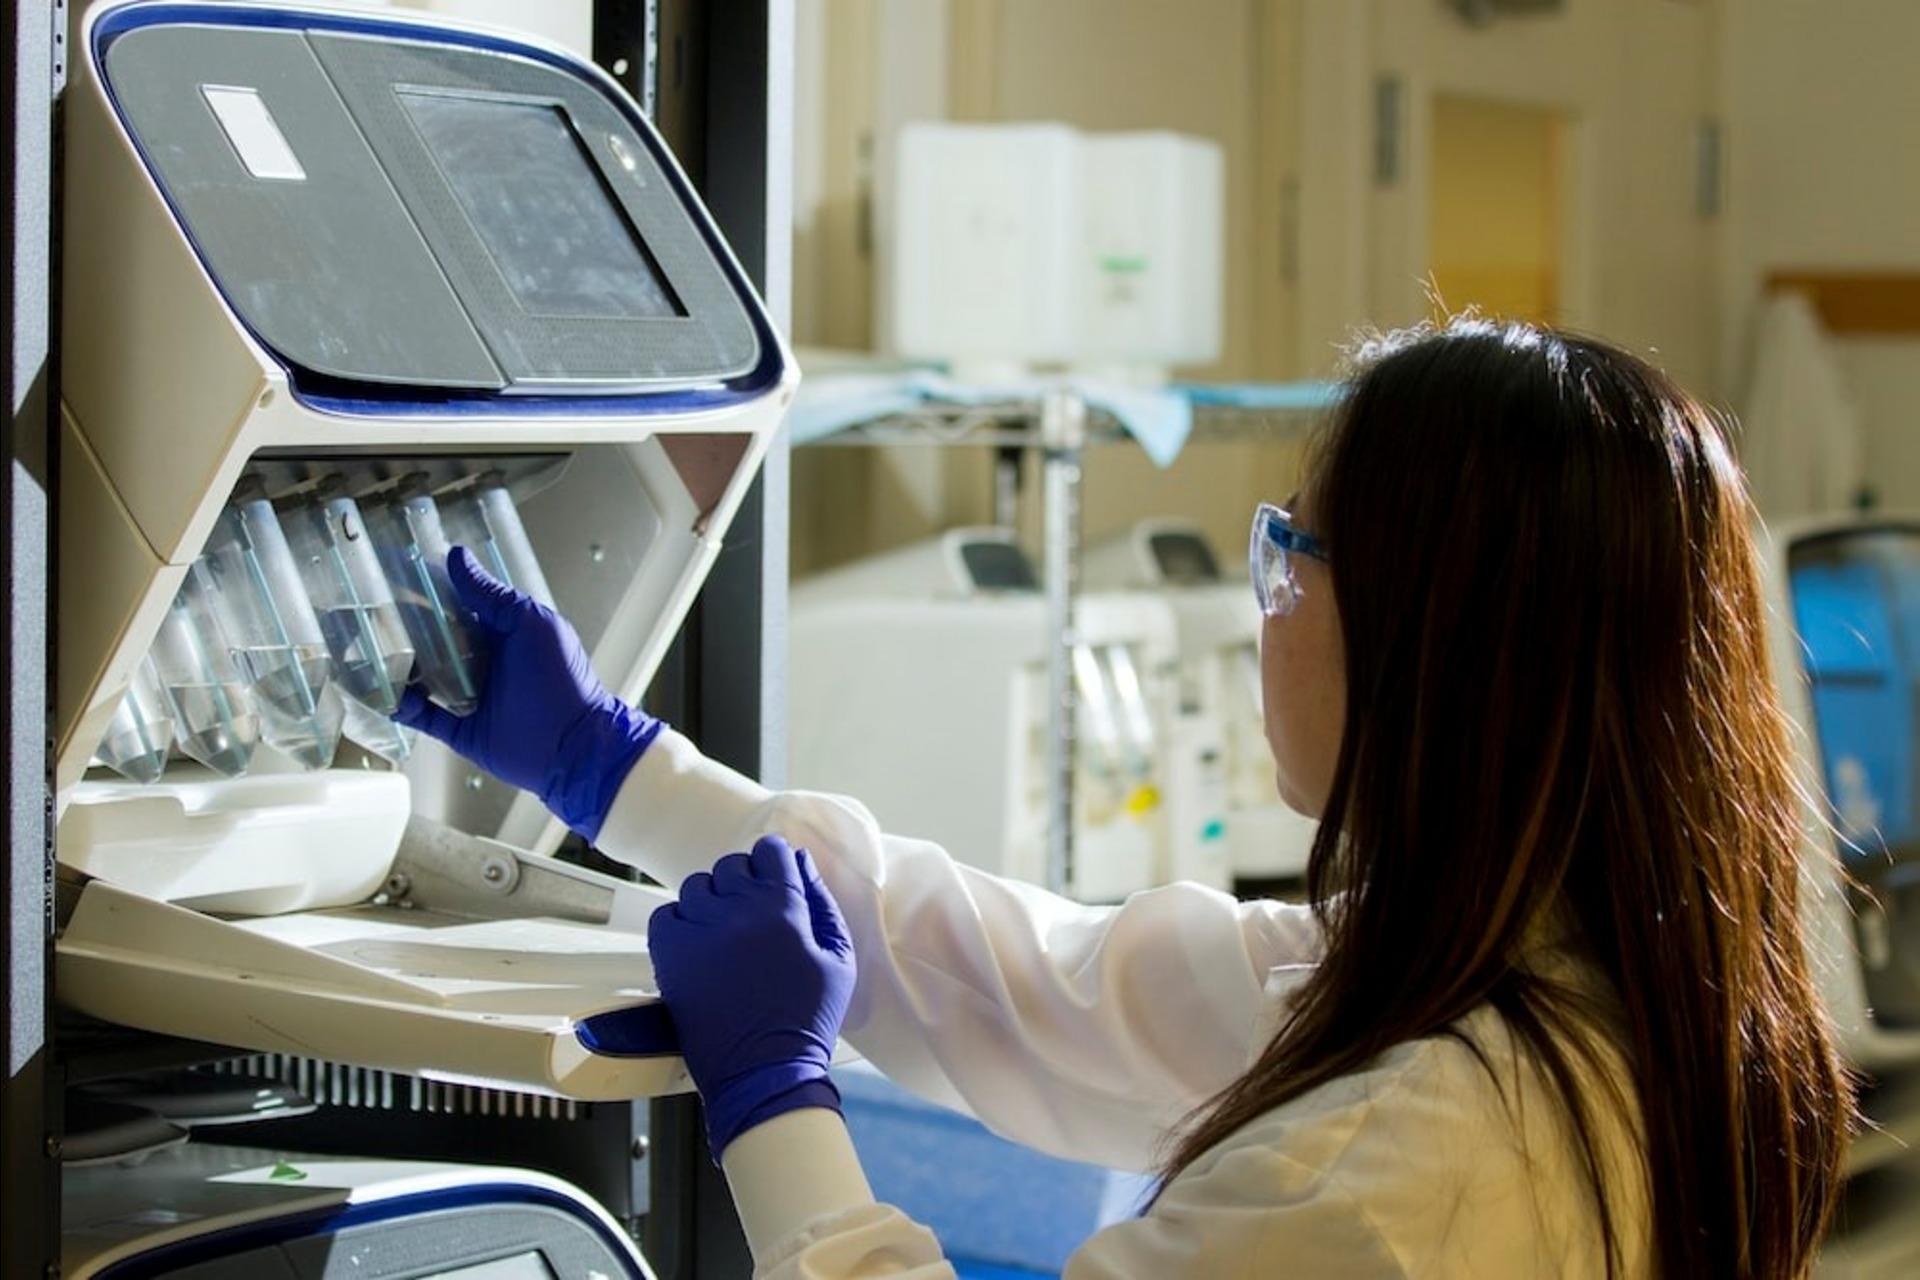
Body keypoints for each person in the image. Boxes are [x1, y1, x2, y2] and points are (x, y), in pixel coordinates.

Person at [398, 318, 1855, 1279]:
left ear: (1431, 640)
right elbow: (1036, 984)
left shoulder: (1397, 1175)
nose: (1265, 602)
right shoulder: (1576, 995)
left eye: (1293, 554)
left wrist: (779, 1106)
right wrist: (619, 770)